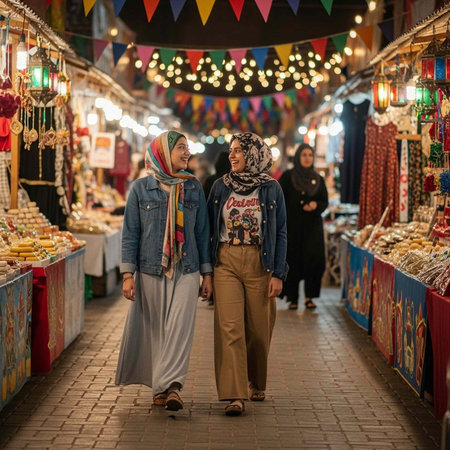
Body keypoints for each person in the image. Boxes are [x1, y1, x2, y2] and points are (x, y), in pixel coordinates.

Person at [115, 131, 213, 411]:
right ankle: (161, 388)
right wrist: (127, 274)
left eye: (187, 148)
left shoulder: (193, 187)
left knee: (179, 329)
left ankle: (172, 387)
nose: (187, 153)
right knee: (157, 330)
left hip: (188, 267)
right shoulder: (140, 189)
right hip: (149, 269)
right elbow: (130, 234)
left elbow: (203, 232)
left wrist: (207, 273)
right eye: (181, 148)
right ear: (162, 153)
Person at [207, 132, 288, 416]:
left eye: (239, 150)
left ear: (254, 153)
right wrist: (207, 271)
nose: (233, 155)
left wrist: (278, 273)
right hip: (226, 261)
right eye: (231, 150)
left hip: (260, 262)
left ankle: (256, 381)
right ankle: (234, 393)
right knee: (230, 329)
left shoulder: (271, 188)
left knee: (258, 330)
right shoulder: (220, 187)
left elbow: (280, 232)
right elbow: (209, 230)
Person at [279, 143, 328, 310]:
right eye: (304, 155)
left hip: (312, 228)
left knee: (313, 262)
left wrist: (315, 205)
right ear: (298, 157)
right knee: (293, 261)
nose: (307, 158)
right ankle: (292, 298)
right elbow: (280, 200)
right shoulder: (288, 176)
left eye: (310, 155)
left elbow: (324, 201)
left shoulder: (318, 178)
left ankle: (310, 297)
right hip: (293, 227)